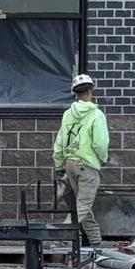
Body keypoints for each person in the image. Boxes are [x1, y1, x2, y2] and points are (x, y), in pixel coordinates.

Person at [51, 73, 109, 248]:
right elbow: (100, 143)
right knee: (83, 205)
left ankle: (95, 241)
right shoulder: (96, 114)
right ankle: (61, 237)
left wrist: (58, 164)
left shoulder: (68, 114)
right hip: (86, 165)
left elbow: (60, 141)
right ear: (92, 89)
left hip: (70, 164)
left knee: (82, 203)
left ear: (74, 93)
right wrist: (103, 159)